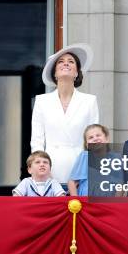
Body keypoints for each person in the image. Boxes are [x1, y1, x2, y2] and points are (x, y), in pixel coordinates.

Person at [31, 43, 99, 188]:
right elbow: (37, 141)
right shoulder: (42, 101)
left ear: (77, 73)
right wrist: (42, 169)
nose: (66, 64)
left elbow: (94, 141)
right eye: (61, 62)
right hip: (50, 173)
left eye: (71, 62)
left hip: (80, 174)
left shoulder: (89, 101)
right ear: (55, 73)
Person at [68, 124, 121, 196]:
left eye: (98, 135)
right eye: (91, 137)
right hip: (85, 201)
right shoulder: (85, 156)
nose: (95, 138)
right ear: (87, 145)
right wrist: (76, 200)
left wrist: (116, 202)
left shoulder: (116, 158)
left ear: (106, 139)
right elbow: (72, 182)